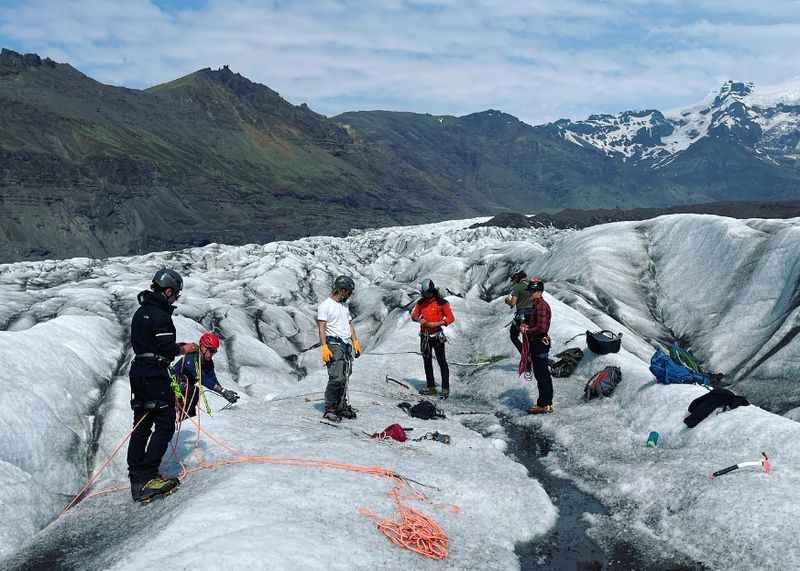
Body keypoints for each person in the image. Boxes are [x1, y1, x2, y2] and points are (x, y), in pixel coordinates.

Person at [127, 269, 199, 503]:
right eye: (175, 294)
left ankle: (137, 478)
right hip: (155, 374)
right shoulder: (160, 315)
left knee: (141, 423)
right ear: (168, 291)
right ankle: (148, 476)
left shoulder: (141, 312)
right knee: (166, 423)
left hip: (139, 371)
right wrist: (184, 349)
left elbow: (151, 344)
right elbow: (166, 348)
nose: (176, 298)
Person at [317, 275, 362, 423]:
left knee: (345, 377)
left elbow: (349, 324)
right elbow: (322, 328)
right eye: (348, 292)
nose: (349, 295)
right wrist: (324, 347)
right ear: (342, 290)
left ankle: (341, 406)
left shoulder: (344, 306)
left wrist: (355, 341)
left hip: (345, 344)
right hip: (333, 343)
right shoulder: (325, 306)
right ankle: (330, 408)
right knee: (337, 377)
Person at [171, 332, 239, 419]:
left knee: (192, 392)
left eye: (214, 351)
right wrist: (222, 391)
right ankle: (185, 420)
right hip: (172, 384)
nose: (212, 354)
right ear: (202, 347)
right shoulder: (192, 357)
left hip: (184, 387)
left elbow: (212, 379)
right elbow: (201, 378)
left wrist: (224, 392)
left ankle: (187, 419)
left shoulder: (208, 363)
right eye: (211, 350)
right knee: (194, 391)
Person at [411, 279, 455, 399]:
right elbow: (414, 315)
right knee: (427, 361)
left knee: (442, 362)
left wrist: (436, 324)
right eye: (425, 293)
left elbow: (451, 318)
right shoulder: (421, 303)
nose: (427, 295)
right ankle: (431, 387)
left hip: (437, 335)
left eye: (428, 293)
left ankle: (445, 388)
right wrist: (420, 320)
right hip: (425, 336)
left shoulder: (442, 303)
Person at [519, 277, 554, 414]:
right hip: (537, 342)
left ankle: (545, 404)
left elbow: (542, 328)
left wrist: (527, 329)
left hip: (539, 342)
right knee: (541, 374)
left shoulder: (540, 306)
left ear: (539, 292)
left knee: (542, 374)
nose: (531, 293)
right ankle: (544, 402)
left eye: (533, 291)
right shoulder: (536, 304)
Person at [504, 269, 532, 353]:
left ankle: (524, 353)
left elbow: (513, 303)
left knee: (513, 335)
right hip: (533, 314)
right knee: (530, 337)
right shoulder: (532, 285)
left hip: (522, 315)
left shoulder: (518, 287)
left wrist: (507, 301)